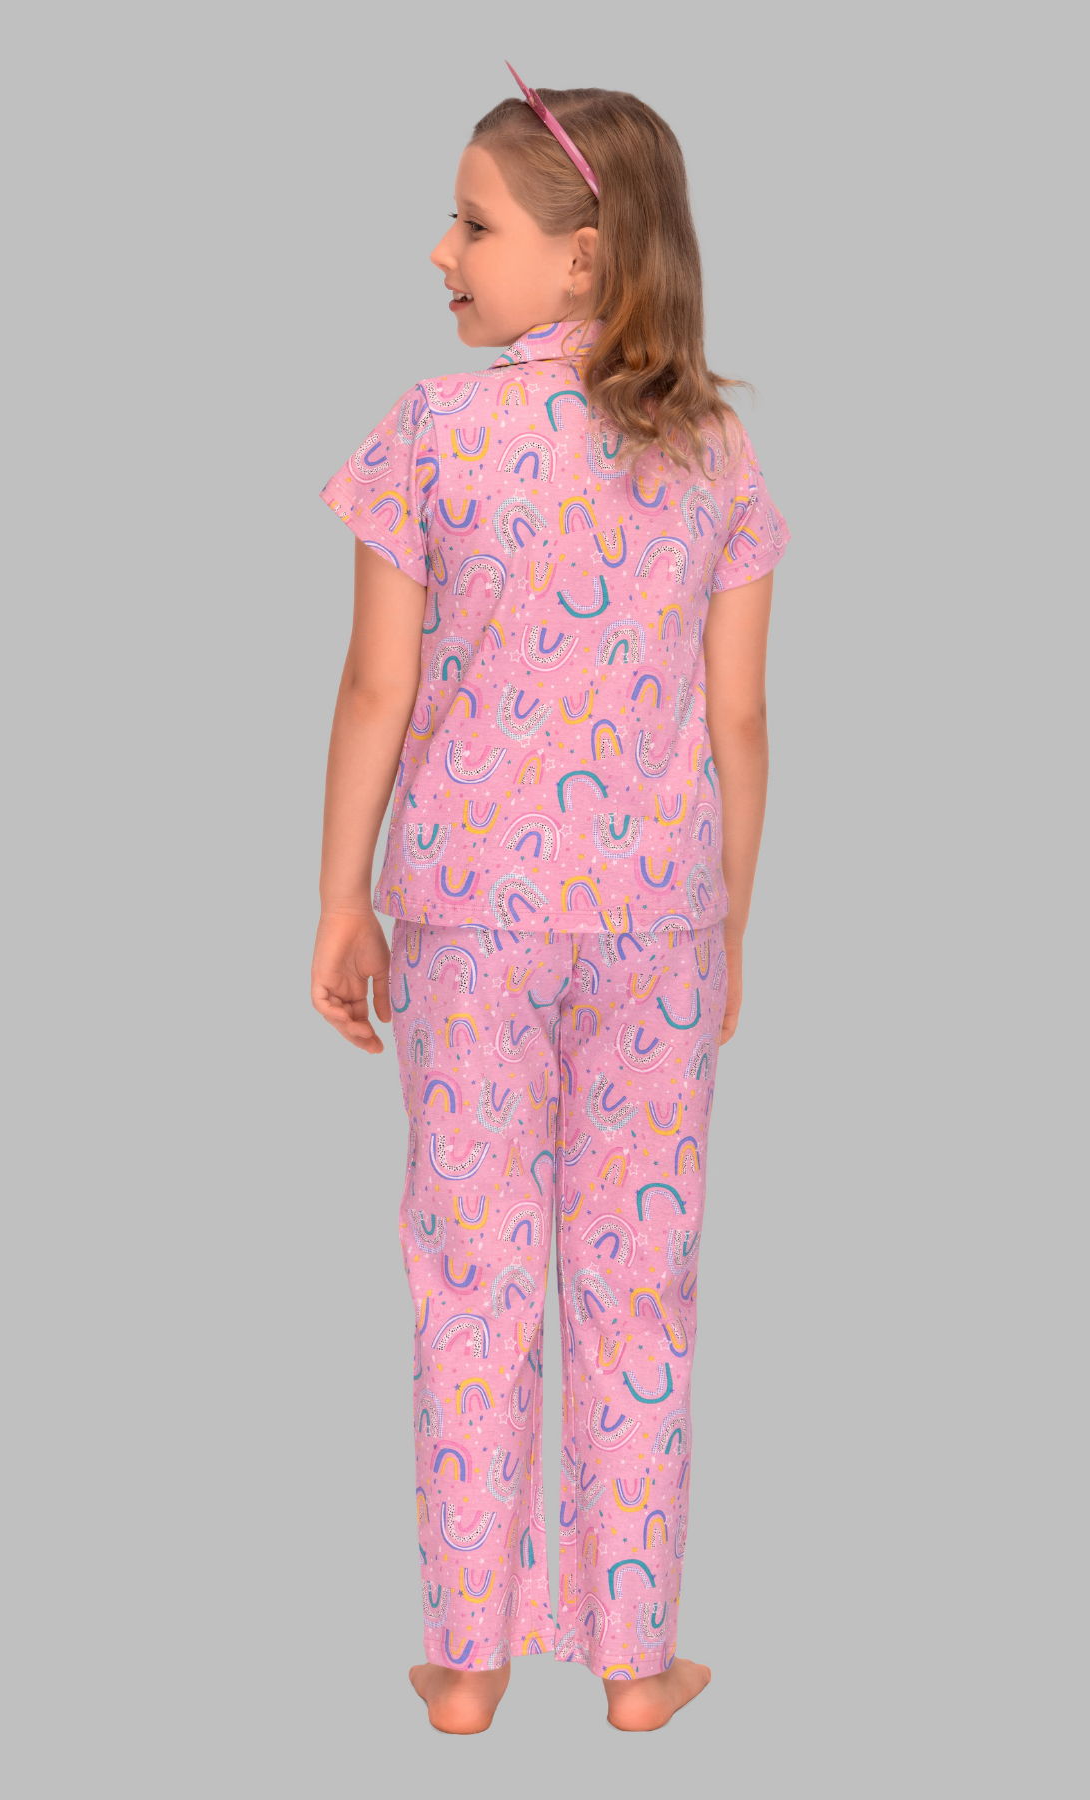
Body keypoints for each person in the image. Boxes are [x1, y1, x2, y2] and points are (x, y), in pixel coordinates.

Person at [311, 74, 789, 1735]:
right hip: (657, 929)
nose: (441, 250)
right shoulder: (718, 453)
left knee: (473, 1275)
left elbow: (375, 690)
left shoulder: (431, 435)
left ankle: (468, 1662)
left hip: (467, 922)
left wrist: (340, 898)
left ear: (584, 257)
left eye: (474, 222)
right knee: (637, 1279)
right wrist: (726, 926)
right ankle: (638, 1663)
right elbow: (740, 724)